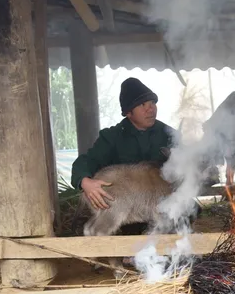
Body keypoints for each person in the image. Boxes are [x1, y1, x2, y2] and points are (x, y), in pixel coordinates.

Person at [71, 77, 180, 210]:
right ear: (128, 112)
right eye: (142, 105)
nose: (150, 109)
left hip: (161, 202)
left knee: (191, 212)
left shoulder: (168, 134)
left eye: (152, 103)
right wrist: (85, 182)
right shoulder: (112, 137)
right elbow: (87, 161)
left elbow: (188, 160)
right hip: (126, 205)